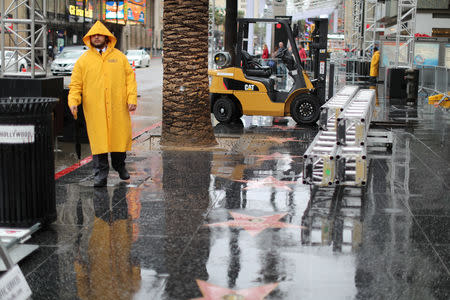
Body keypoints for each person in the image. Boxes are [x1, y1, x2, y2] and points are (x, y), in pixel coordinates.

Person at [68, 21, 137, 187]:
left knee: (118, 140)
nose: (96, 37)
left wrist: (131, 98)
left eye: (99, 35)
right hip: (95, 110)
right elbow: (76, 85)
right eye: (93, 35)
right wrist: (73, 101)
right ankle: (100, 174)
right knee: (99, 144)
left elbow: (130, 79)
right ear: (89, 38)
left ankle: (120, 166)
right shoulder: (83, 61)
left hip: (117, 108)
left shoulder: (119, 57)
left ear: (107, 37)